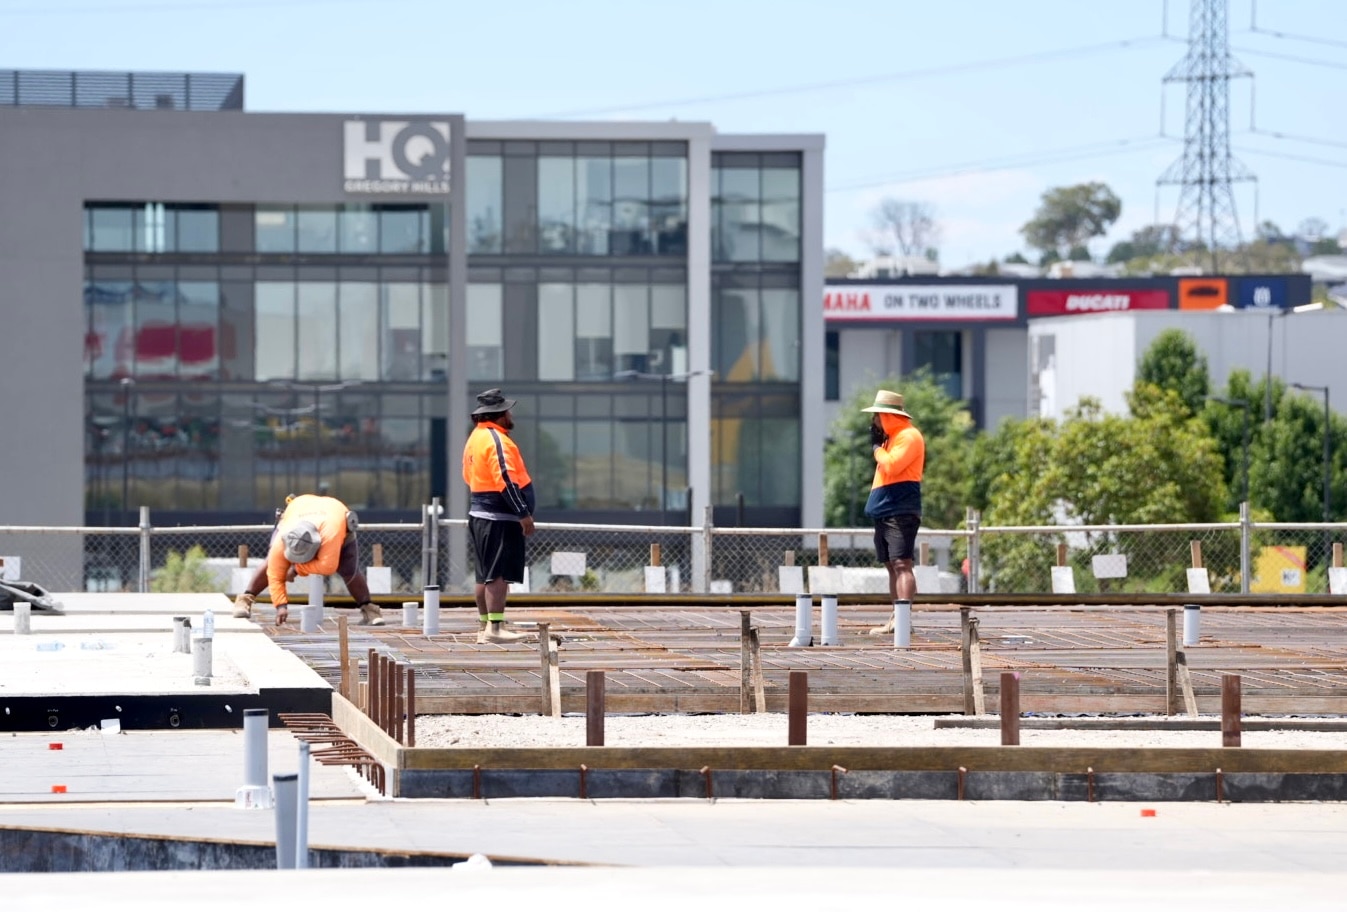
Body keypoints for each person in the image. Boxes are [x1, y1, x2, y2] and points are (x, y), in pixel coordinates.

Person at [232, 493, 384, 626]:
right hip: (299, 509)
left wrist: (295, 569)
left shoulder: (330, 536)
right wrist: (281, 605)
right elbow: (274, 574)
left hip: (335, 515)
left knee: (348, 568)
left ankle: (370, 611)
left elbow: (328, 567)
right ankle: (244, 599)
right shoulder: (282, 539)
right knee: (270, 563)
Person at [462, 388, 536, 644]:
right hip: (498, 516)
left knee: (485, 573)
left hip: (481, 513)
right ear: (499, 414)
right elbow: (505, 478)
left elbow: (467, 476)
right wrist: (523, 512)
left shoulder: (476, 437)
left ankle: (485, 627)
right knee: (498, 573)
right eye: (508, 410)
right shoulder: (496, 440)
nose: (511, 414)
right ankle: (495, 627)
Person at [860, 390, 925, 635]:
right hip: (885, 509)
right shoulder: (891, 439)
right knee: (890, 565)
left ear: (888, 416)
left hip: (901, 508)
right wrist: (881, 445)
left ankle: (903, 620)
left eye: (877, 416)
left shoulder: (909, 436)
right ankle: (896, 618)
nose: (874, 422)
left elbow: (892, 465)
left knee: (902, 564)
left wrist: (876, 448)